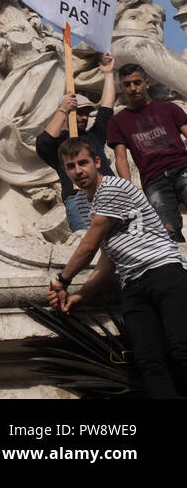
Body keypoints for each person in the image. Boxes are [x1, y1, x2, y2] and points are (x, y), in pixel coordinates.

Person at [48, 137, 187, 398]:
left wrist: (62, 281)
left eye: (83, 163)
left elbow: (88, 246)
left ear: (97, 162)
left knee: (181, 349)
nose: (78, 171)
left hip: (164, 272)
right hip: (133, 286)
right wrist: (83, 295)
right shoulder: (94, 205)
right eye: (71, 166)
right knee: (149, 361)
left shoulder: (113, 188)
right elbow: (108, 260)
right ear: (65, 172)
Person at [34, 53, 116, 230]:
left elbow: (107, 108)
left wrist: (108, 74)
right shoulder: (59, 145)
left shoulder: (91, 137)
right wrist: (63, 110)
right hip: (78, 198)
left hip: (109, 194)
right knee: (88, 246)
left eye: (86, 113)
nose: (84, 117)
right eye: (79, 112)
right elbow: (44, 143)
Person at [107, 64, 187, 241]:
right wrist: (128, 188)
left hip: (182, 168)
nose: (133, 88)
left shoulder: (169, 109)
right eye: (127, 84)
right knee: (168, 231)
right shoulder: (117, 122)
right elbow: (121, 158)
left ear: (147, 83)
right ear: (122, 87)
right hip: (153, 179)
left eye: (137, 82)